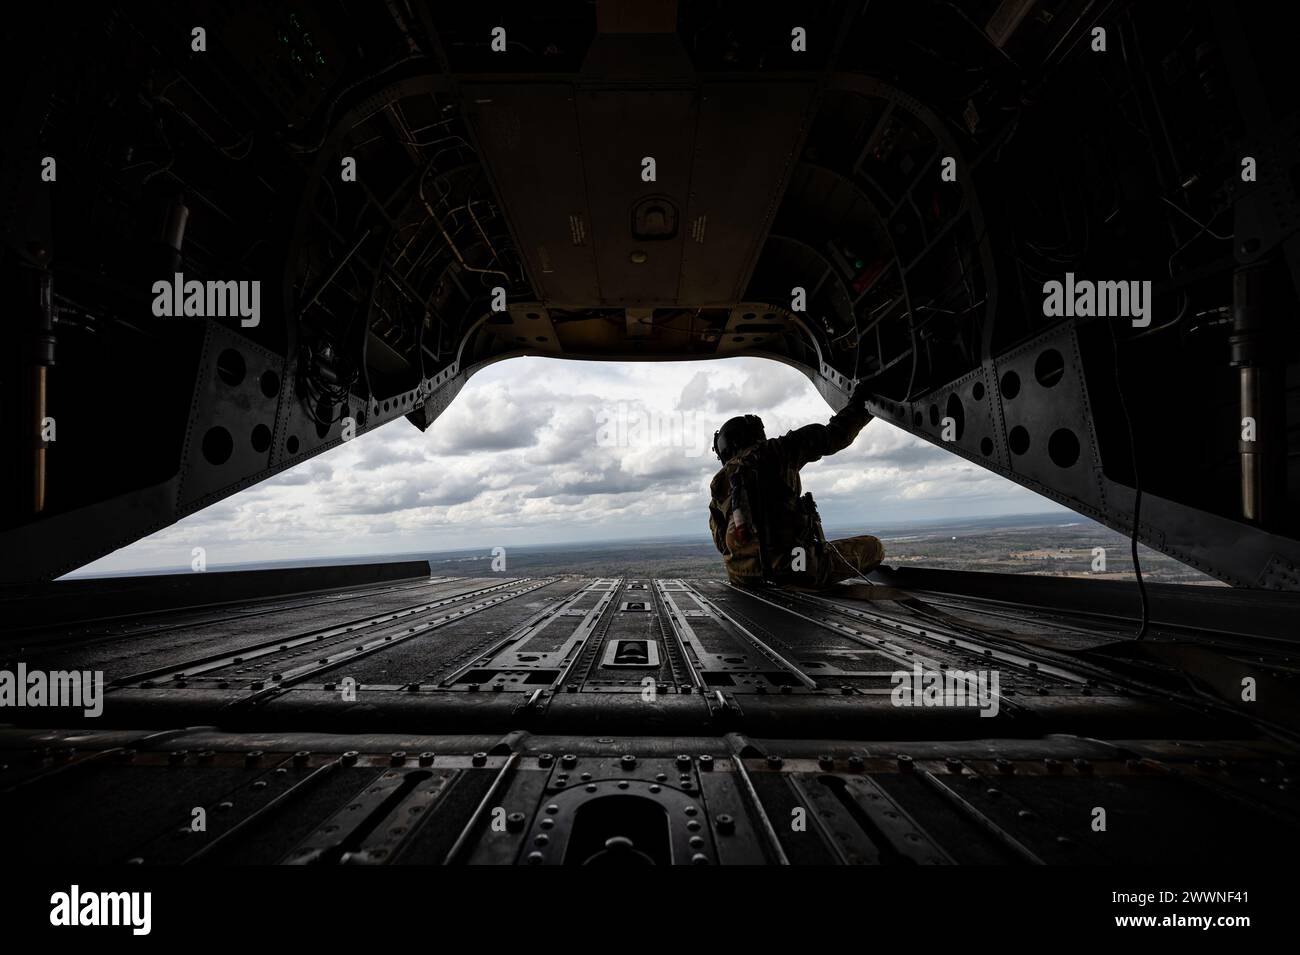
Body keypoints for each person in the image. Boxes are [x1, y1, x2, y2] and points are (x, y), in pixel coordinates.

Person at [708, 383, 883, 588]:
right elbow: (836, 435)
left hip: (742, 578)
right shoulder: (776, 451)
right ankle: (799, 572)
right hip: (794, 568)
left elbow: (722, 544)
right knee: (874, 547)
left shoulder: (718, 485)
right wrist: (861, 400)